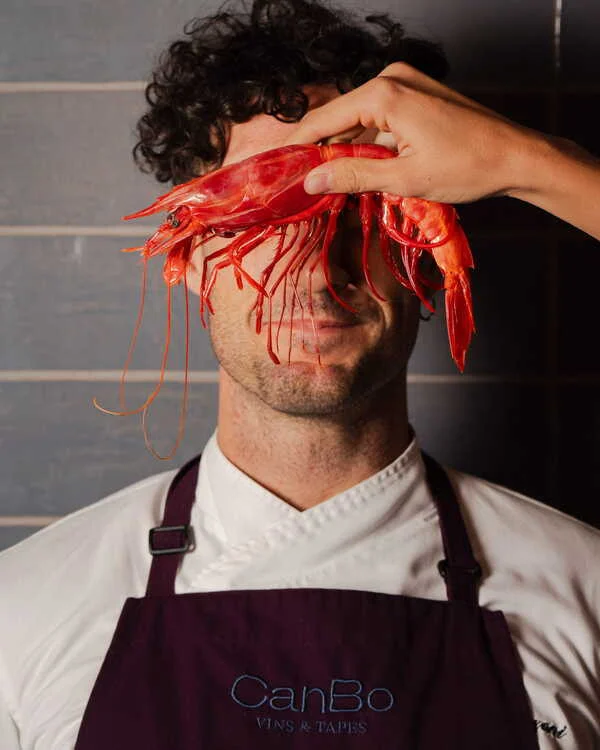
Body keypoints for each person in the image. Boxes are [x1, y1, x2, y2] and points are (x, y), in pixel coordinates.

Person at [0, 1, 598, 748]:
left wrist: (531, 162)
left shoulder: (586, 593)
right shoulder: (22, 608)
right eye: (262, 218)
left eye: (362, 209)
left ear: (427, 257)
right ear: (188, 258)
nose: (318, 271)